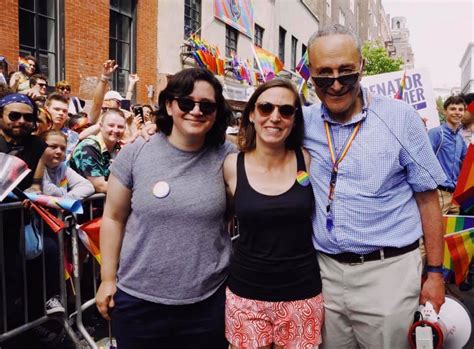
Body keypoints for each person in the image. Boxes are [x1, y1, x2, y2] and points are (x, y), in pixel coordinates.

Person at [304, 24, 446, 348]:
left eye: (347, 73)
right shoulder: (303, 121)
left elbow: (428, 199)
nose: (336, 84)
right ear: (311, 74)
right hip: (324, 273)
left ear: (362, 67)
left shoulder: (401, 118)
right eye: (325, 75)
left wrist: (436, 274)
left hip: (389, 276)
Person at [95, 68, 234, 348]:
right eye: (186, 103)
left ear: (217, 112)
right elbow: (113, 217)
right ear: (170, 105)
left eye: (207, 105)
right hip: (139, 301)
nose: (196, 110)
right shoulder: (137, 151)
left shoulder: (228, 157)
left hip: (207, 303)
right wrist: (107, 279)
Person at [224, 79, 323, 349]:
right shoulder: (231, 164)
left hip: (301, 293)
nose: (275, 117)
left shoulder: (309, 159)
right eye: (266, 108)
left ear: (294, 119)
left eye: (286, 111)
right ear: (252, 114)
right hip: (246, 295)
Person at [70, 108, 125, 193]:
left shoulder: (118, 148)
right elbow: (100, 186)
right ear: (101, 126)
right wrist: (134, 191)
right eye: (111, 125)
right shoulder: (88, 147)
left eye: (120, 127)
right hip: (82, 203)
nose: (116, 130)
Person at [428, 95, 467, 215]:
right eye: (453, 109)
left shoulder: (461, 139)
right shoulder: (436, 133)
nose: (457, 112)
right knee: (435, 232)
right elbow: (424, 161)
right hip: (438, 193)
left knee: (454, 233)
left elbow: (466, 164)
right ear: (445, 111)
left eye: (460, 109)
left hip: (455, 195)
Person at [40, 130, 94, 200]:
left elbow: (87, 186)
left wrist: (66, 200)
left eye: (63, 148)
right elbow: (48, 191)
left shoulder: (63, 167)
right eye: (53, 147)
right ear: (40, 147)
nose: (59, 151)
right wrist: (64, 194)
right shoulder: (34, 166)